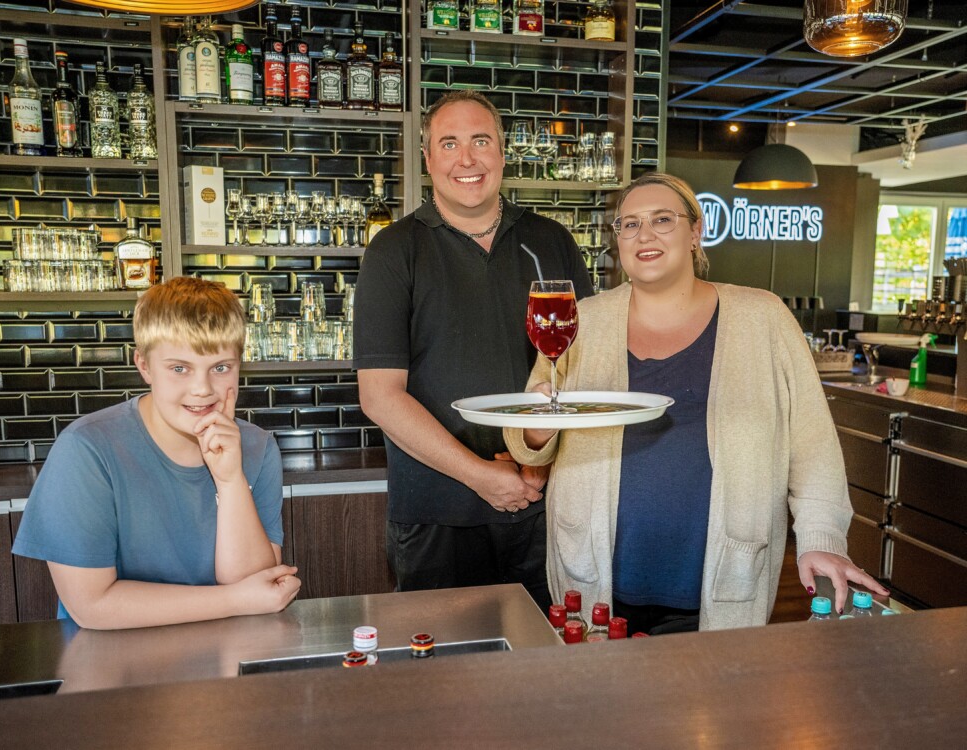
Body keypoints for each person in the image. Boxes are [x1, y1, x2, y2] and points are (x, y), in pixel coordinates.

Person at [504, 172, 888, 634]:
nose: (644, 234)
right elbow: (530, 438)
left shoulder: (763, 317)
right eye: (629, 224)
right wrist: (535, 430)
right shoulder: (582, 319)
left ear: (695, 231)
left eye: (662, 220)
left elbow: (813, 445)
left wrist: (821, 537)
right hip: (592, 573)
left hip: (723, 574)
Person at [353, 90, 593, 612]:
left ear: (502, 153)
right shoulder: (393, 250)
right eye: (449, 144)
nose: (467, 159)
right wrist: (480, 475)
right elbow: (379, 396)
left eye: (481, 141)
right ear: (428, 158)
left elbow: (583, 365)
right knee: (441, 660)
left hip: (542, 505)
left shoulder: (551, 241)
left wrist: (538, 463)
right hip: (436, 515)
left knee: (543, 656)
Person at [12, 277, 301, 629]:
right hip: (113, 658)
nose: (202, 389)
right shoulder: (86, 449)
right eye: (179, 368)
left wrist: (230, 480)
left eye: (221, 367)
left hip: (225, 652)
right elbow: (92, 606)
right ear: (144, 365)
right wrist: (234, 600)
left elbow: (257, 585)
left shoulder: (257, 446)